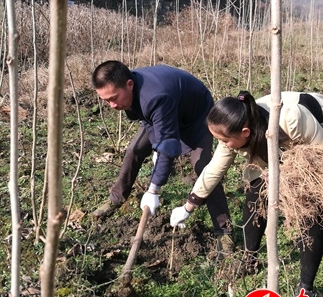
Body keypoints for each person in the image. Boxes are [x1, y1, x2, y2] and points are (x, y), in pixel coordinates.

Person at [169, 90, 323, 297]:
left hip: (314, 138)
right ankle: (249, 259)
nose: (223, 144)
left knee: (311, 211)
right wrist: (189, 206)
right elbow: (214, 169)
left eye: (224, 140)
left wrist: (292, 181)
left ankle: (306, 289)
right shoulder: (231, 129)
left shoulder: (292, 119)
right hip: (269, 143)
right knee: (256, 193)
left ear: (245, 133)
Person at [90, 60, 234, 256]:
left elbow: (168, 143)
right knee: (134, 150)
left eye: (114, 98)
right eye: (106, 101)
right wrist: (156, 146)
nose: (112, 105)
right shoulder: (130, 90)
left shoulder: (155, 96)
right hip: (165, 111)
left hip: (195, 116)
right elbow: (152, 123)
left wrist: (153, 189)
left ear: (129, 85)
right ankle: (116, 198)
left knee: (203, 168)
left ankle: (224, 231)